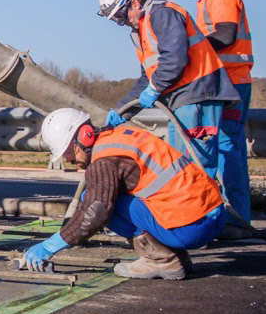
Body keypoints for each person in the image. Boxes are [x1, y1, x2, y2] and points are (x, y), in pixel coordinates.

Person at [22, 108, 225, 279]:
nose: (68, 160)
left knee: (99, 203)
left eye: (67, 151)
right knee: (104, 197)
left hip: (190, 229)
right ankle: (175, 257)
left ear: (84, 136)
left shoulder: (104, 162)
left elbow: (95, 212)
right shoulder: (121, 136)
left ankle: (160, 260)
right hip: (212, 217)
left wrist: (50, 245)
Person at [95, 0, 237, 204]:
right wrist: (122, 110)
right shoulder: (141, 31)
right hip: (182, 101)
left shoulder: (162, 14)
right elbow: (147, 78)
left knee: (196, 165)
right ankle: (191, 214)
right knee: (181, 166)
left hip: (198, 95)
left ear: (134, 3)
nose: (123, 23)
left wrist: (155, 89)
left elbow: (174, 59)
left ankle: (205, 216)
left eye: (121, 16)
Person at [163, 0, 254, 236]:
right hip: (224, 83)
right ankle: (228, 219)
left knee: (227, 150)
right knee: (223, 149)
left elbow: (225, 35)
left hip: (232, 83)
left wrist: (189, 50)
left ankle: (236, 221)